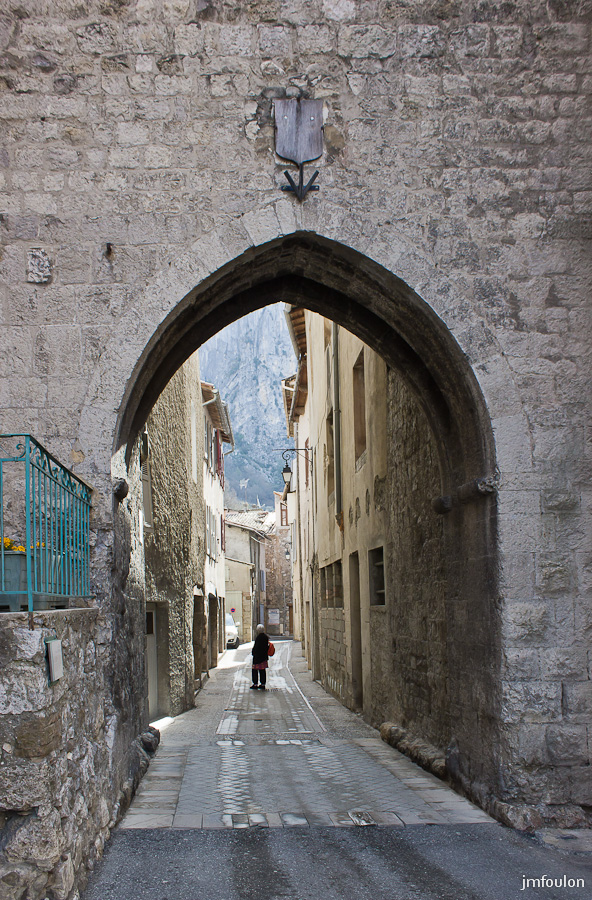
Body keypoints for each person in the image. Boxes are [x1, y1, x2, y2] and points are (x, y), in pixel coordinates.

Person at [251, 624, 269, 690]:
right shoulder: (266, 637)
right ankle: (263, 684)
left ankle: (255, 684)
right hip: (263, 657)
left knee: (255, 670)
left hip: (257, 657)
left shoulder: (258, 638)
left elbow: (256, 647)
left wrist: (253, 653)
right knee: (262, 671)